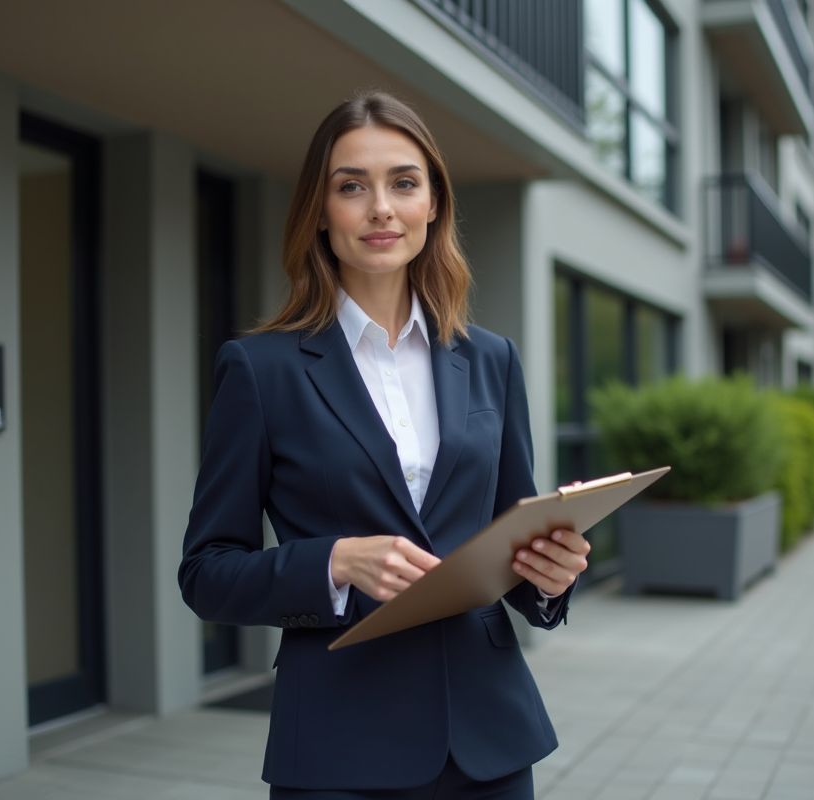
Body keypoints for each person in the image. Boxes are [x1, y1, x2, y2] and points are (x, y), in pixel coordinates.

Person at [177, 90, 590, 799]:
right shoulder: (261, 370)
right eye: (351, 187)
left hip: (488, 740)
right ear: (319, 210)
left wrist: (552, 576)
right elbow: (206, 573)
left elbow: (509, 548)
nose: (380, 208)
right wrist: (333, 563)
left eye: (404, 182)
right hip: (341, 744)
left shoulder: (492, 359)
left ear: (433, 205)